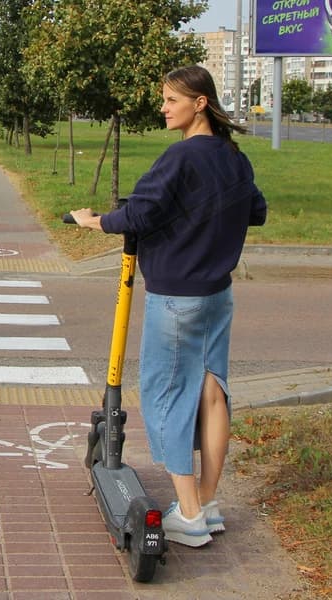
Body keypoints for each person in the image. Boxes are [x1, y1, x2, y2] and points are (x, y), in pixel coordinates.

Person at [69, 65, 267, 548]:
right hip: (217, 294)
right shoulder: (234, 158)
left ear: (199, 103)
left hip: (177, 297)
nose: (163, 107)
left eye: (171, 99)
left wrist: (93, 221)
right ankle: (207, 501)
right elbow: (255, 211)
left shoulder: (179, 160)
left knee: (167, 396)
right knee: (211, 392)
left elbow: (139, 213)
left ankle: (191, 515)